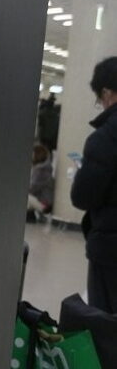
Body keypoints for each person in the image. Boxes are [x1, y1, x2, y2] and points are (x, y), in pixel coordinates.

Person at [71, 56, 117, 314]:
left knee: (105, 323)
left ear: (107, 93)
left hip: (110, 250)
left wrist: (83, 173)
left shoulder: (106, 137)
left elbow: (82, 197)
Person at [27, 144, 54, 222]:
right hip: (45, 202)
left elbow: (32, 188)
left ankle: (30, 216)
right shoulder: (44, 169)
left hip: (44, 204)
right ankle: (31, 215)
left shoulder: (41, 170)